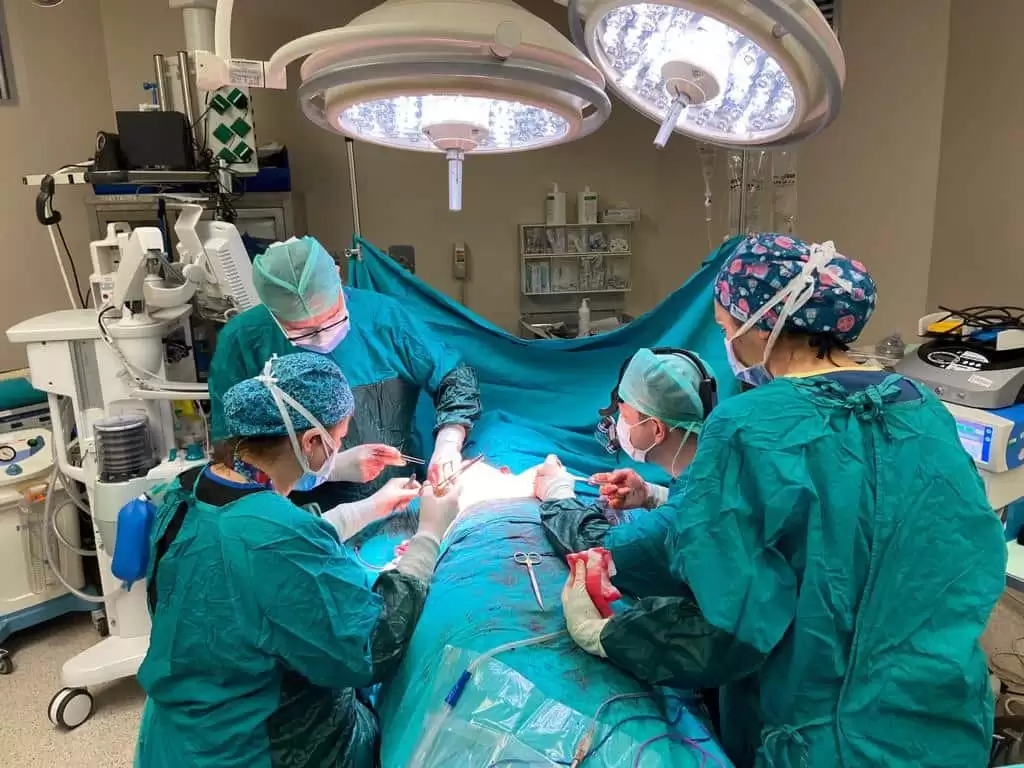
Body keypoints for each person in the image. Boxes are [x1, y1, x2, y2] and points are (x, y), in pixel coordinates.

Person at [548, 233, 1008, 768]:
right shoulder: (923, 410)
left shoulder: (748, 425)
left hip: (824, 745)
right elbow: (944, 554)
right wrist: (658, 498)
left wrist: (613, 635)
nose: (728, 344)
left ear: (763, 325)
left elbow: (730, 627)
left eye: (726, 328)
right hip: (946, 727)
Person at [135, 353, 462, 768]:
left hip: (173, 740)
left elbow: (252, 544)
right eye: (338, 439)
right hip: (250, 750)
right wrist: (429, 534)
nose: (339, 449)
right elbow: (370, 646)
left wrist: (369, 507)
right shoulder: (278, 540)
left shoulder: (187, 488)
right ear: (310, 442)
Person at [208, 235, 482, 512]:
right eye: (301, 331)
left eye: (332, 318)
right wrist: (329, 469)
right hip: (295, 513)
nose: (320, 337)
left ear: (338, 277)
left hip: (397, 497)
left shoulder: (384, 317)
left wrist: (449, 441)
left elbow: (453, 377)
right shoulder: (243, 339)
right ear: (272, 312)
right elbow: (232, 453)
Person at [536, 347, 717, 599]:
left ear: (657, 429)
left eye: (625, 416)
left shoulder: (686, 513)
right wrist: (652, 495)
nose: (619, 425)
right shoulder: (720, 462)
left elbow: (598, 550)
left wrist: (557, 493)